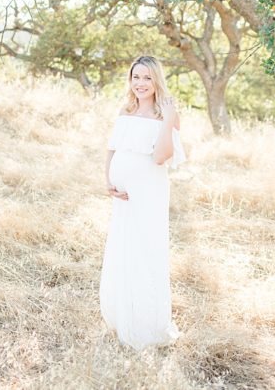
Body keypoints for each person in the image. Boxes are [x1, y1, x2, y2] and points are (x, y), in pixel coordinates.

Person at [99, 55, 186, 350]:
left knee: (145, 249)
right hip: (122, 197)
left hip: (148, 192)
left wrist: (169, 119)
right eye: (136, 77)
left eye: (147, 77)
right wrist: (108, 181)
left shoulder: (166, 115)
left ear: (156, 80)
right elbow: (112, 150)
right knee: (123, 249)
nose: (140, 83)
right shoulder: (125, 111)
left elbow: (161, 157)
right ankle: (121, 316)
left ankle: (146, 324)